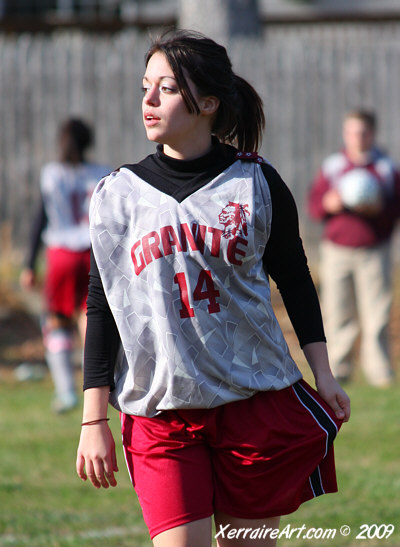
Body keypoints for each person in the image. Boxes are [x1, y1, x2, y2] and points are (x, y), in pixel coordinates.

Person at [76, 30, 350, 547]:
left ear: (207, 103)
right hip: (161, 413)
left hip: (250, 404)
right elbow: (102, 305)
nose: (150, 101)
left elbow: (294, 279)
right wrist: (94, 419)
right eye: (145, 87)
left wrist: (325, 373)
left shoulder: (256, 184)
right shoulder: (117, 195)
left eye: (167, 89)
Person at [20, 118, 111, 413]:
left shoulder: (52, 174)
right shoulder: (102, 174)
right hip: (93, 252)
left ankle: (67, 392)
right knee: (91, 317)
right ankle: (98, 387)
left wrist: (29, 264)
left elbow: (40, 219)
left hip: (61, 255)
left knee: (57, 319)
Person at [308, 109, 400, 388]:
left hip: (374, 251)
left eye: (362, 132)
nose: (356, 137)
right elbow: (314, 206)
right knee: (337, 312)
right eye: (351, 132)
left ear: (372, 134)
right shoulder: (334, 167)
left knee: (377, 314)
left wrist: (377, 210)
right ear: (345, 134)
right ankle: (339, 369)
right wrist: (329, 204)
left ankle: (380, 371)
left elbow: (395, 210)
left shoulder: (385, 169)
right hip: (336, 251)